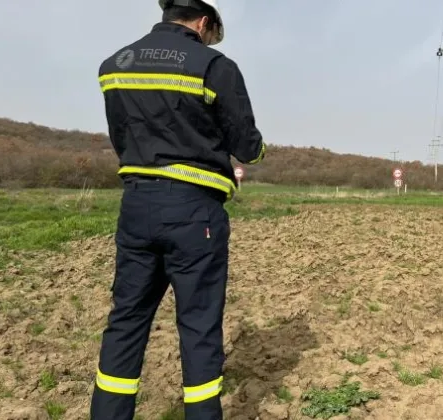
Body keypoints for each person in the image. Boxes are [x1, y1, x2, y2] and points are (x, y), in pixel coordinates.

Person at [90, 0, 265, 418]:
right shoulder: (214, 66)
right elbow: (247, 147)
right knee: (199, 328)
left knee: (126, 322)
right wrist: (254, 151)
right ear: (204, 21)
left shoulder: (115, 64)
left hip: (136, 205)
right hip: (194, 212)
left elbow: (121, 136)